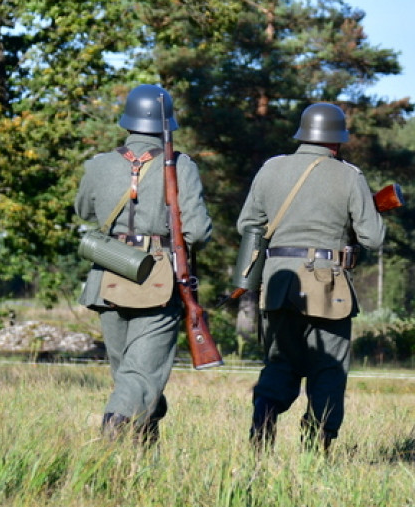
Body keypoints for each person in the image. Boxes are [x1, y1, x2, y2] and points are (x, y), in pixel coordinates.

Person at [238, 103, 385, 454]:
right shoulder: (350, 176)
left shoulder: (271, 169)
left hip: (278, 282)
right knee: (327, 369)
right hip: (328, 286)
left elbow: (248, 226)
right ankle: (315, 448)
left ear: (303, 133)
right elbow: (373, 238)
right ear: (337, 140)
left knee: (280, 362)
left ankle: (262, 424)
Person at [75, 84, 213, 446]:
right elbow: (198, 231)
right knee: (140, 375)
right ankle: (112, 436)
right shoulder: (181, 165)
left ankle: (140, 457)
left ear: (129, 119)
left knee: (130, 375)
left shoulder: (99, 164)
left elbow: (83, 211)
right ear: (167, 122)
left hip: (109, 273)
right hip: (157, 280)